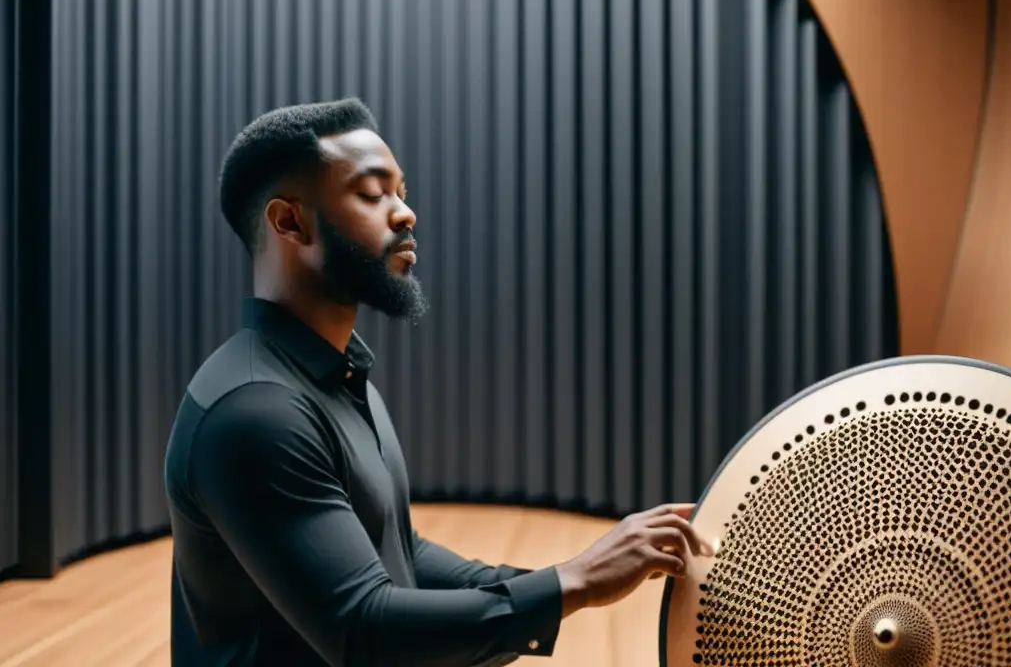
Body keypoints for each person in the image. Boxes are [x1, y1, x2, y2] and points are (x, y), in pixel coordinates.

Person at [163, 98, 714, 666]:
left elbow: (400, 553)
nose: (405, 213)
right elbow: (363, 633)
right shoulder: (255, 410)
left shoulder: (337, 376)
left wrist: (564, 581)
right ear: (290, 222)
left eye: (401, 191)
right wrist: (569, 583)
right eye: (373, 194)